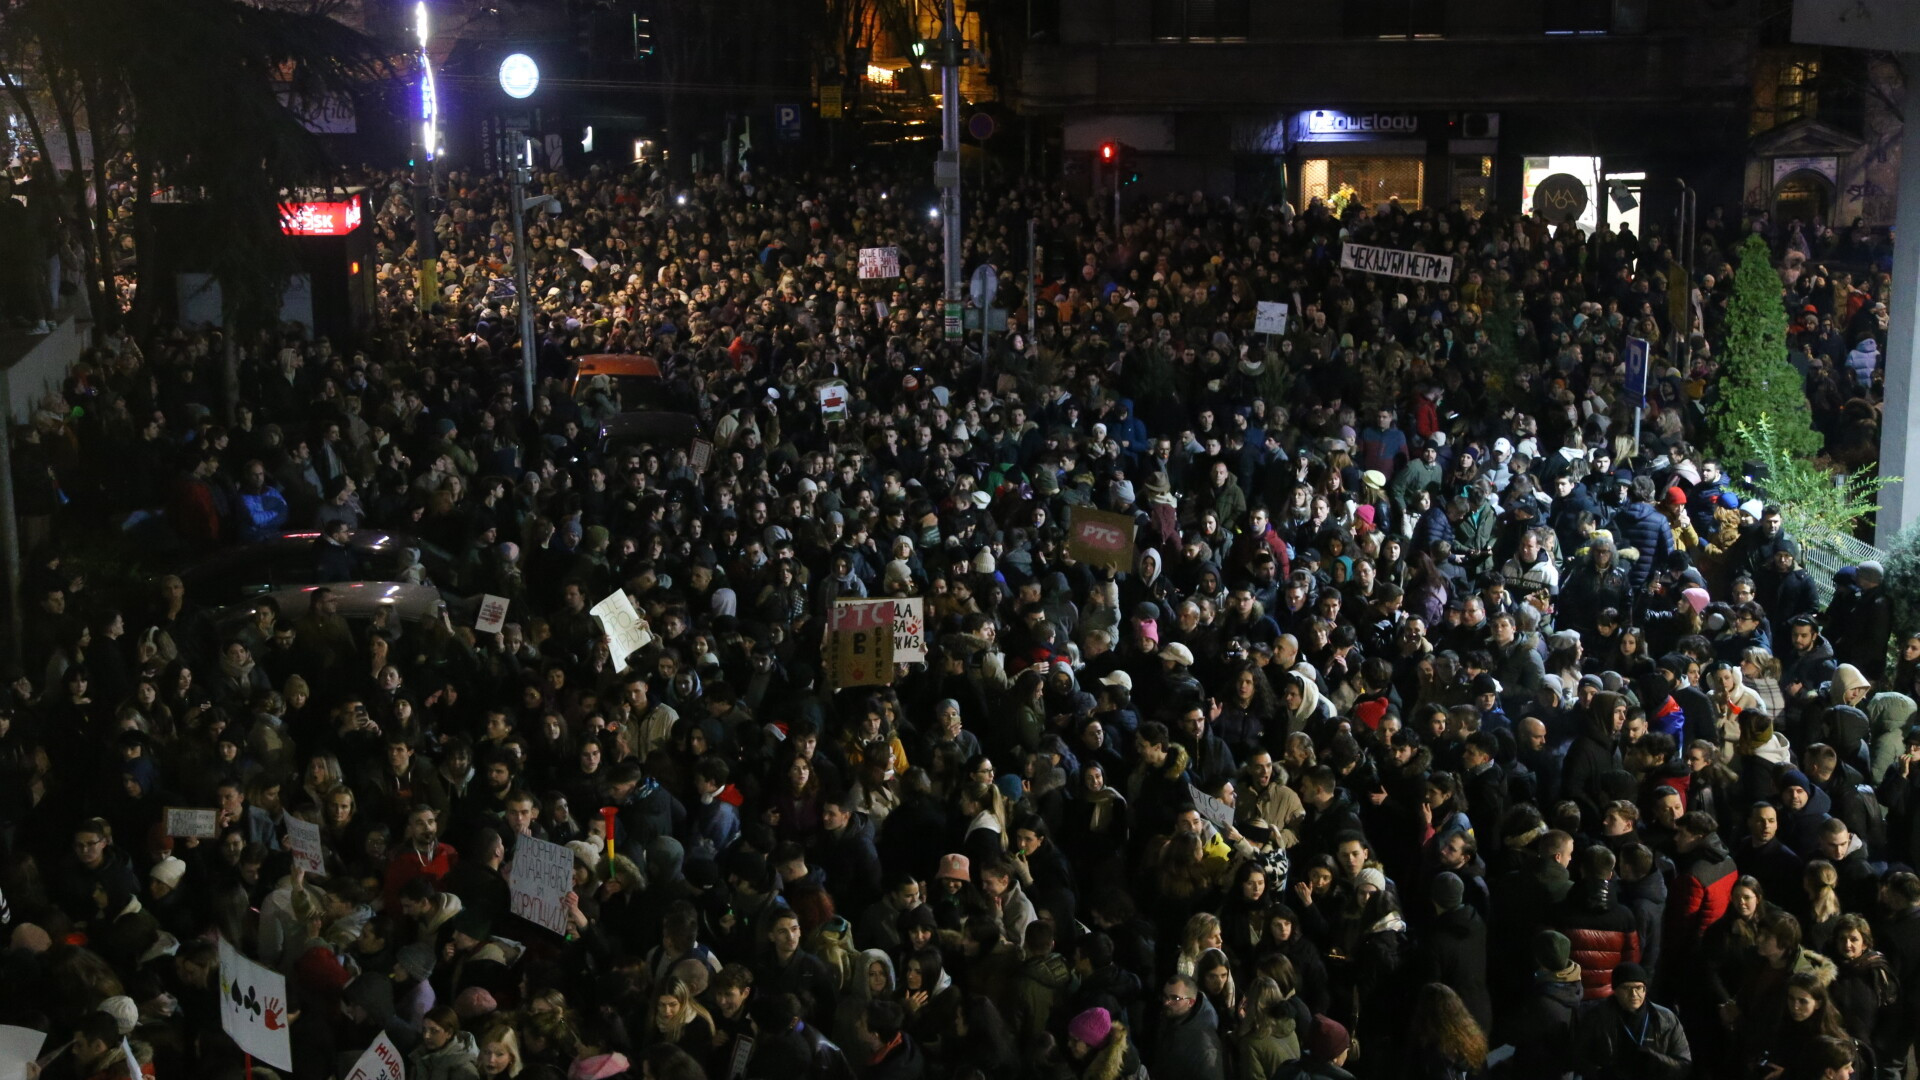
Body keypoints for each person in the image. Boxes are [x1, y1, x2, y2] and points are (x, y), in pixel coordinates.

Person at [1571, 963, 1691, 1080]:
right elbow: (1576, 1058)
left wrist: (1657, 1061)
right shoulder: (1597, 1016)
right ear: (1615, 990)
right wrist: (1602, 1073)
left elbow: (1684, 1065)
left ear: (1645, 990)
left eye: (1638, 987)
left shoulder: (1666, 1019)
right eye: (1626, 988)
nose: (1634, 994)